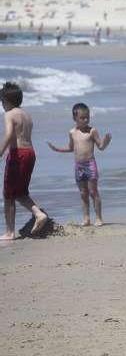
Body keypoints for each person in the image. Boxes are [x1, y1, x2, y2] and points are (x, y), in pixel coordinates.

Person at [47, 103, 112, 227]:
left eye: (87, 117)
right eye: (82, 118)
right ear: (75, 118)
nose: (86, 120)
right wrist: (57, 149)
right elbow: (71, 148)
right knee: (83, 193)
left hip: (90, 164)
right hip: (78, 166)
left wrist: (106, 141)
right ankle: (86, 218)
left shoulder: (92, 131)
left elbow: (101, 147)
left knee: (93, 192)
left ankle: (98, 218)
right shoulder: (72, 132)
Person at [1, 82, 49, 239]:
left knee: (8, 194)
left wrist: (0, 152)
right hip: (30, 153)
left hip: (18, 154)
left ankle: (9, 232)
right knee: (20, 192)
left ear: (6, 100)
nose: (2, 105)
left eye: (1, 101)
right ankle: (38, 213)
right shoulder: (26, 115)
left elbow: (9, 135)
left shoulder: (9, 114)